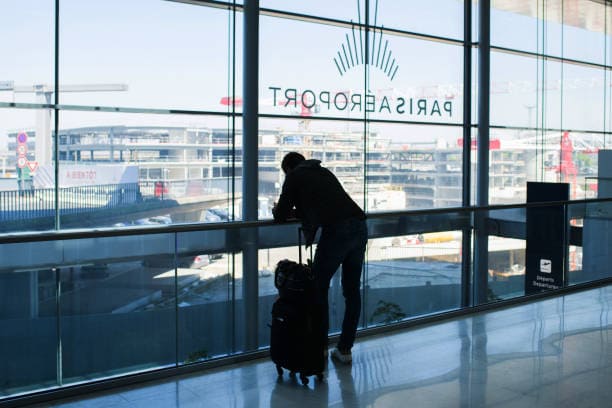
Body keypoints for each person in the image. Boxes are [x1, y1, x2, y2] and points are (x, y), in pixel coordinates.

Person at [272, 152, 367, 363]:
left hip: (337, 232)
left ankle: (318, 347)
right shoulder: (322, 171)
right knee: (351, 291)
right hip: (360, 226)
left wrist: (279, 209)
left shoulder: (294, 176)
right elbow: (324, 204)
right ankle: (344, 349)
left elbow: (280, 215)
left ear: (288, 168)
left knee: (317, 288)